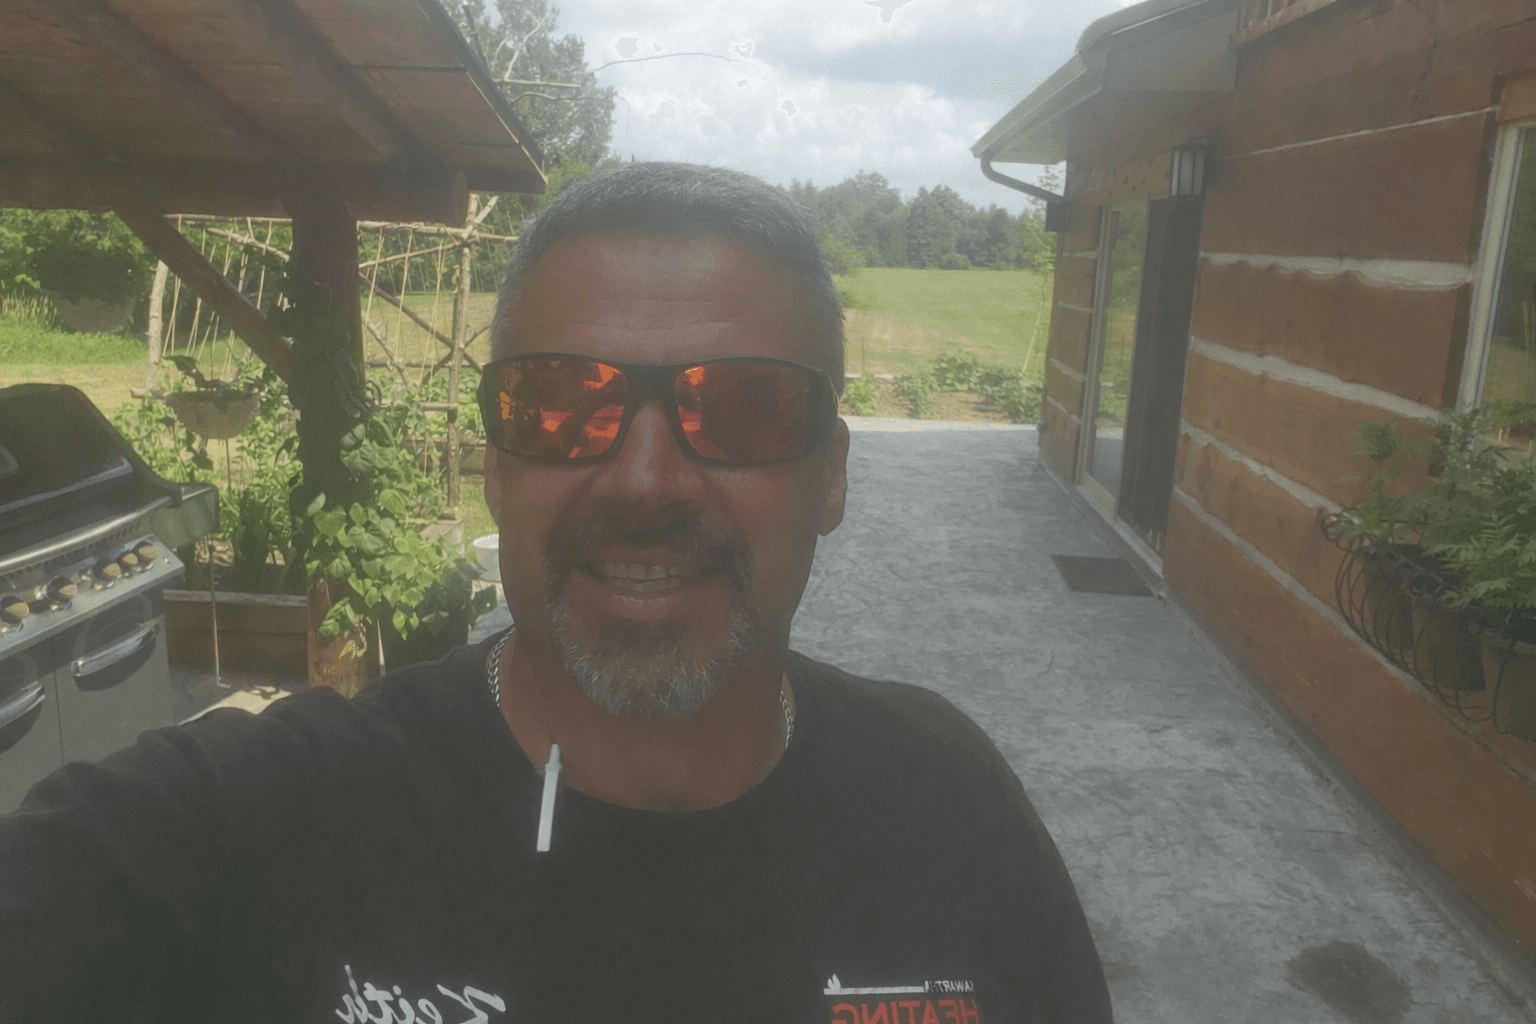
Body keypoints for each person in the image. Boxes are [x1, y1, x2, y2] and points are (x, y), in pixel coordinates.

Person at [0, 162, 1114, 1023]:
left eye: (741, 409)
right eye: (558, 402)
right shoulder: (269, 828)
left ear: (830, 472)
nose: (643, 479)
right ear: (493, 464)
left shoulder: (947, 812)